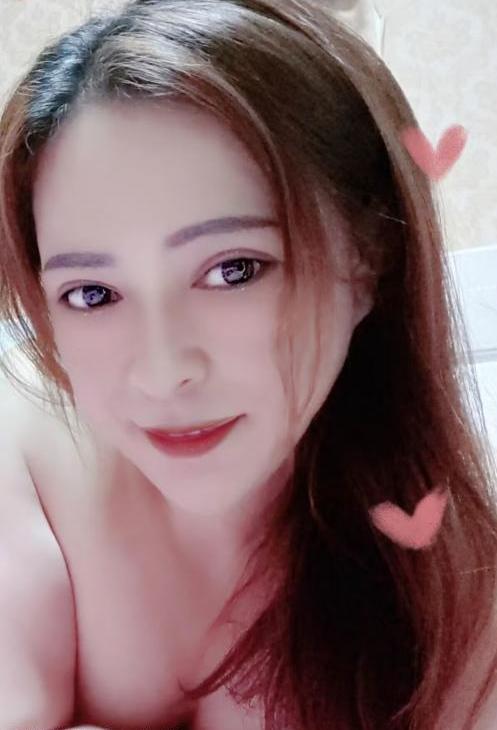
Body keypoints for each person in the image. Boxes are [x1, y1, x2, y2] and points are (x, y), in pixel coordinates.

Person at [0, 1, 496, 728]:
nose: (162, 371)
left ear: (368, 258)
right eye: (92, 293)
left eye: (234, 270)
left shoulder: (453, 575)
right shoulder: (23, 455)